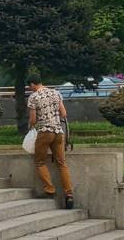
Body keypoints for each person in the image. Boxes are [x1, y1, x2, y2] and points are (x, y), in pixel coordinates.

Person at [26, 72, 74, 209]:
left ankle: (49, 189)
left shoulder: (33, 97)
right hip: (59, 132)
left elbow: (33, 119)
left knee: (40, 161)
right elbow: (64, 113)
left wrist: (30, 127)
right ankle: (69, 194)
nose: (29, 88)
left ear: (32, 84)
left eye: (29, 86)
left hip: (45, 132)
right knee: (61, 163)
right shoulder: (56, 93)